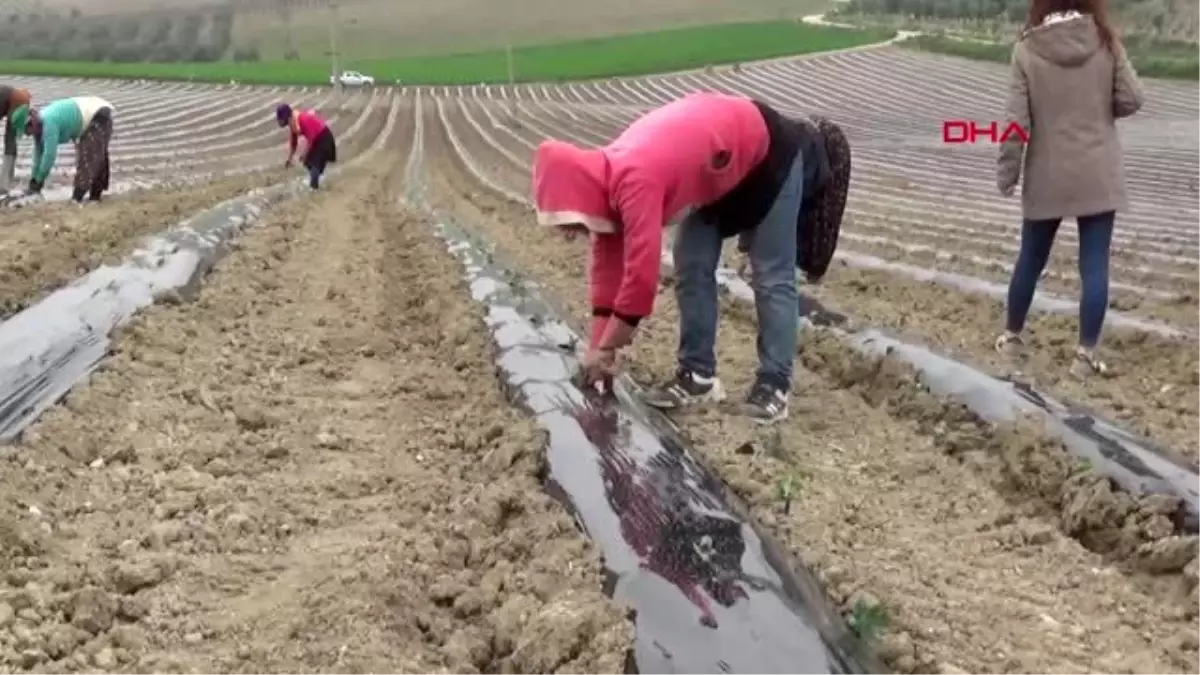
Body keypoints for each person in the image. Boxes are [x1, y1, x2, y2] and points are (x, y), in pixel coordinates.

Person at [533, 92, 850, 424]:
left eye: (568, 222)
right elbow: (608, 272)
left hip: (768, 155)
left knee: (771, 275)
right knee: (691, 262)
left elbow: (641, 277)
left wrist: (607, 347)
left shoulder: (633, 179)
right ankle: (698, 376)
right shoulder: (605, 183)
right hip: (715, 168)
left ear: (578, 198)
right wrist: (598, 348)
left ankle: (774, 386)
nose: (569, 232)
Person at [995, 0, 1144, 378]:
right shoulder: (1105, 40)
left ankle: (1012, 338)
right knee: (1094, 266)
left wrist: (1008, 174)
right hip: (1098, 172)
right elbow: (1132, 98)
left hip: (1048, 174)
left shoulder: (1027, 50)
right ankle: (1085, 356)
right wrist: (1096, 107)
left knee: (1031, 258)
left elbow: (1015, 123)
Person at [13, 96, 115, 203]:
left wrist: (39, 181)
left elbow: (49, 155)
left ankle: (79, 198)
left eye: (26, 131)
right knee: (95, 154)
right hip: (88, 116)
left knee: (89, 157)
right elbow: (38, 155)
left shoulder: (49, 124)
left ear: (31, 123)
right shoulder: (39, 127)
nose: (27, 135)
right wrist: (33, 180)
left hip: (97, 115)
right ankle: (92, 197)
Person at [276, 103, 337, 190]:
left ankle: (314, 189)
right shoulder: (293, 123)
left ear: (286, 117)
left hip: (324, 138)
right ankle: (318, 181)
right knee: (308, 163)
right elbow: (294, 143)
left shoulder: (302, 119)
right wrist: (289, 159)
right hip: (317, 139)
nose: (279, 122)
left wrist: (304, 154)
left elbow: (311, 139)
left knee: (313, 163)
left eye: (280, 119)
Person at [0, 85, 31, 190]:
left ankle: (5, 181)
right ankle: (7, 179)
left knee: (10, 140)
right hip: (11, 102)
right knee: (10, 140)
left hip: (12, 103)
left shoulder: (18, 101)